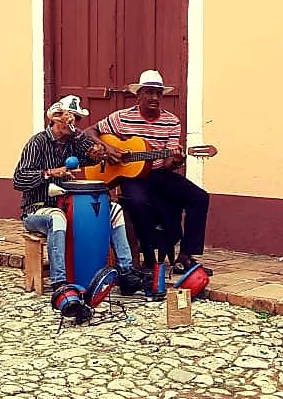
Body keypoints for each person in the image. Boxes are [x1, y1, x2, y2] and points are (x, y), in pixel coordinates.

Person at [13, 95, 144, 317]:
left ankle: (126, 272)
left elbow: (93, 153)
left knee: (115, 211)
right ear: (56, 118)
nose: (74, 121)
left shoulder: (75, 140)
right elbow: (19, 179)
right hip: (38, 208)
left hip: (69, 206)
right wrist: (50, 174)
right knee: (57, 218)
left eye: (77, 118)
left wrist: (95, 150)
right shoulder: (37, 142)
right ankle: (60, 283)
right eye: (70, 116)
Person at [85, 70, 217, 273]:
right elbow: (89, 132)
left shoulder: (171, 121)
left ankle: (186, 255)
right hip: (131, 177)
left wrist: (176, 160)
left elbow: (167, 164)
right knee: (138, 203)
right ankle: (148, 259)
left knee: (199, 197)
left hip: (158, 173)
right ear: (139, 95)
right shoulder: (122, 118)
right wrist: (109, 149)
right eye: (149, 92)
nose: (154, 98)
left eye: (158, 93)